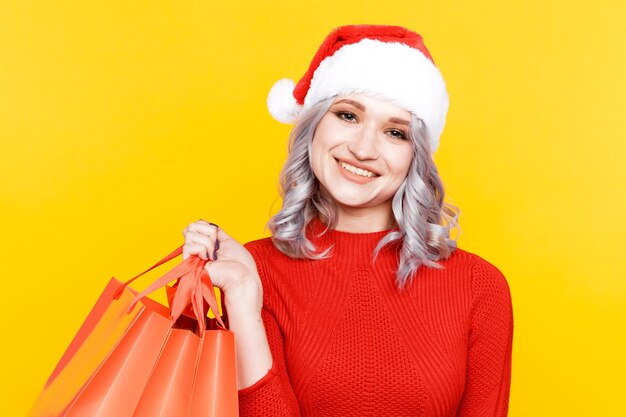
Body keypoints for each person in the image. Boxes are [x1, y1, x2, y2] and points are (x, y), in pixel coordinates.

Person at [181, 24, 513, 417]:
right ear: (314, 125)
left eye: (395, 132)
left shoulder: (480, 288)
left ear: (416, 156)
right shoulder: (251, 273)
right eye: (348, 115)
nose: (363, 148)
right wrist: (242, 300)